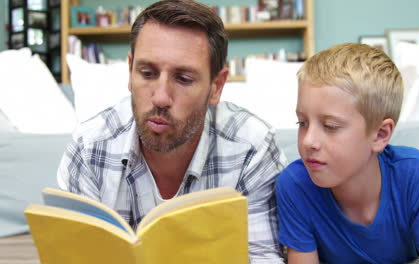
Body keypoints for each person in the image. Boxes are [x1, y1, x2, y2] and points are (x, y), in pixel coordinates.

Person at [57, 0, 287, 263]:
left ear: (216, 86)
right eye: (147, 73)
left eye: (183, 79)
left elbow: (262, 258)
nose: (161, 98)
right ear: (130, 71)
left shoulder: (252, 147)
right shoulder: (89, 147)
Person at [275, 43, 419, 264]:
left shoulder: (412, 170)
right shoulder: (295, 184)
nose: (308, 141)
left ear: (380, 134)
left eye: (330, 126)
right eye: (302, 122)